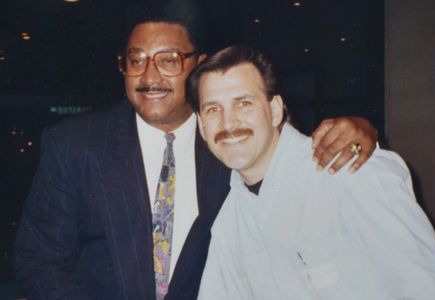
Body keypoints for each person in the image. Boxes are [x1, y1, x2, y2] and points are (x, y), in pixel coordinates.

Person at [14, 1, 378, 300]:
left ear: (198, 65)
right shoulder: (75, 145)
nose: (149, 76)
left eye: (169, 59)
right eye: (136, 59)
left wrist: (364, 129)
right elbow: (40, 260)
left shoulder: (232, 139)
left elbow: (300, 165)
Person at [187, 45, 435, 300]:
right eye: (213, 109)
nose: (228, 122)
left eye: (244, 103)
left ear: (275, 110)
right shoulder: (230, 220)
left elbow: (433, 293)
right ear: (201, 125)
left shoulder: (348, 169)